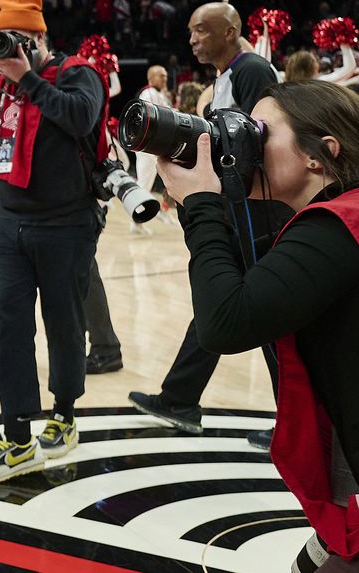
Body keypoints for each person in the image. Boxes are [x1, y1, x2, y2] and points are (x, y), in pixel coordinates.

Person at [158, 80, 359, 572]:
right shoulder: (339, 216)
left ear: (320, 154)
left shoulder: (337, 227)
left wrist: (200, 203)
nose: (245, 141)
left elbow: (226, 323)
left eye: (261, 132)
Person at [0, 0, 110, 482]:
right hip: (6, 222)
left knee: (64, 325)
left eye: (20, 38)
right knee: (9, 329)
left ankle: (64, 414)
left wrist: (27, 78)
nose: (11, 47)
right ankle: (17, 438)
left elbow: (80, 117)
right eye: (3, 38)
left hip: (67, 224)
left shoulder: (78, 72)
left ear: (40, 38)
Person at [130, 2, 280, 439]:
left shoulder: (252, 69)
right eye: (191, 31)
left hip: (253, 211)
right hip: (234, 208)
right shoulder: (226, 76)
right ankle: (179, 397)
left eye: (201, 30)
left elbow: (259, 143)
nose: (192, 39)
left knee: (269, 317)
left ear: (230, 31)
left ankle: (297, 427)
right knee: (216, 302)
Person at [132, 64, 174, 233]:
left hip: (157, 145)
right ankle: (137, 220)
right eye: (161, 75)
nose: (165, 78)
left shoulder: (160, 94)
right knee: (145, 183)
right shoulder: (148, 93)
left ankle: (163, 210)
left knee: (166, 180)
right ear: (150, 78)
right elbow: (153, 120)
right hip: (148, 145)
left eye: (166, 75)